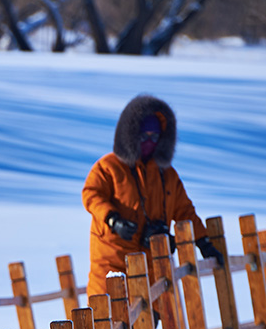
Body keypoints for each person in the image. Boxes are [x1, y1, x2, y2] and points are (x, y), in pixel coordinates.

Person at [82, 94, 223, 298]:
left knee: (149, 323)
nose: (149, 142)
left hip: (153, 271)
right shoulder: (108, 167)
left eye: (154, 136)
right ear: (130, 135)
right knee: (110, 324)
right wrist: (113, 220)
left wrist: (203, 242)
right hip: (112, 267)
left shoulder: (167, 175)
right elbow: (91, 195)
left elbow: (184, 210)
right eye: (143, 136)